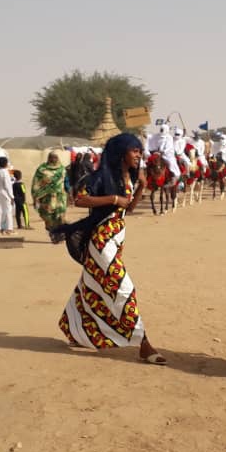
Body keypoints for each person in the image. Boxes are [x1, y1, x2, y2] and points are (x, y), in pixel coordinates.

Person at [51, 133, 166, 365]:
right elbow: (80, 199)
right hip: (101, 240)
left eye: (140, 151)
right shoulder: (102, 176)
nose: (139, 155)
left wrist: (142, 186)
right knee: (124, 288)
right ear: (121, 153)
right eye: (134, 151)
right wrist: (113, 199)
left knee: (91, 284)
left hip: (117, 238)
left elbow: (128, 208)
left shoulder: (130, 176)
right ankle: (143, 344)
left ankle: (73, 326)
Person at [32, 151, 68, 230]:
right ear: (48, 158)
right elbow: (36, 182)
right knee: (48, 217)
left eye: (55, 157)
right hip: (46, 198)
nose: (53, 159)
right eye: (51, 157)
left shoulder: (62, 169)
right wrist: (36, 196)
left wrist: (69, 193)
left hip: (59, 197)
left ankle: (59, 232)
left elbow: (66, 182)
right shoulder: (42, 169)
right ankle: (52, 231)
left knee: (60, 216)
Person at [0, 156, 16, 234]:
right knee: (8, 211)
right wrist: (12, 196)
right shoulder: (5, 172)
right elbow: (7, 185)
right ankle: (9, 229)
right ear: (6, 163)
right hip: (5, 193)